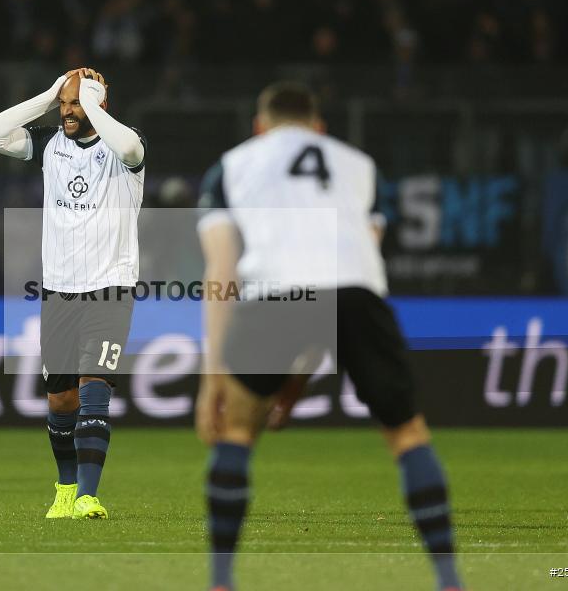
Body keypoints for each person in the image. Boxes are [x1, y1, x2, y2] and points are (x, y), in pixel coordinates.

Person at [195, 81, 463, 591]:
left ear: (259, 127)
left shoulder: (231, 166)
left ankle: (221, 582)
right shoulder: (359, 167)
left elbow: (222, 272)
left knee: (237, 432)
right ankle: (450, 581)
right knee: (407, 434)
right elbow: (344, 276)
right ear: (319, 128)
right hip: (358, 291)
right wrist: (296, 379)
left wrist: (214, 377)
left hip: (274, 292)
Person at [0, 67, 146, 520]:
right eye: (66, 104)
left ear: (99, 106)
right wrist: (50, 94)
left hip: (111, 286)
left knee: (94, 389)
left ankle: (89, 496)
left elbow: (130, 146)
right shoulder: (52, 145)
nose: (69, 112)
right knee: (61, 400)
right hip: (60, 291)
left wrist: (91, 99)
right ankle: (66, 488)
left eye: (78, 103)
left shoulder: (123, 149)